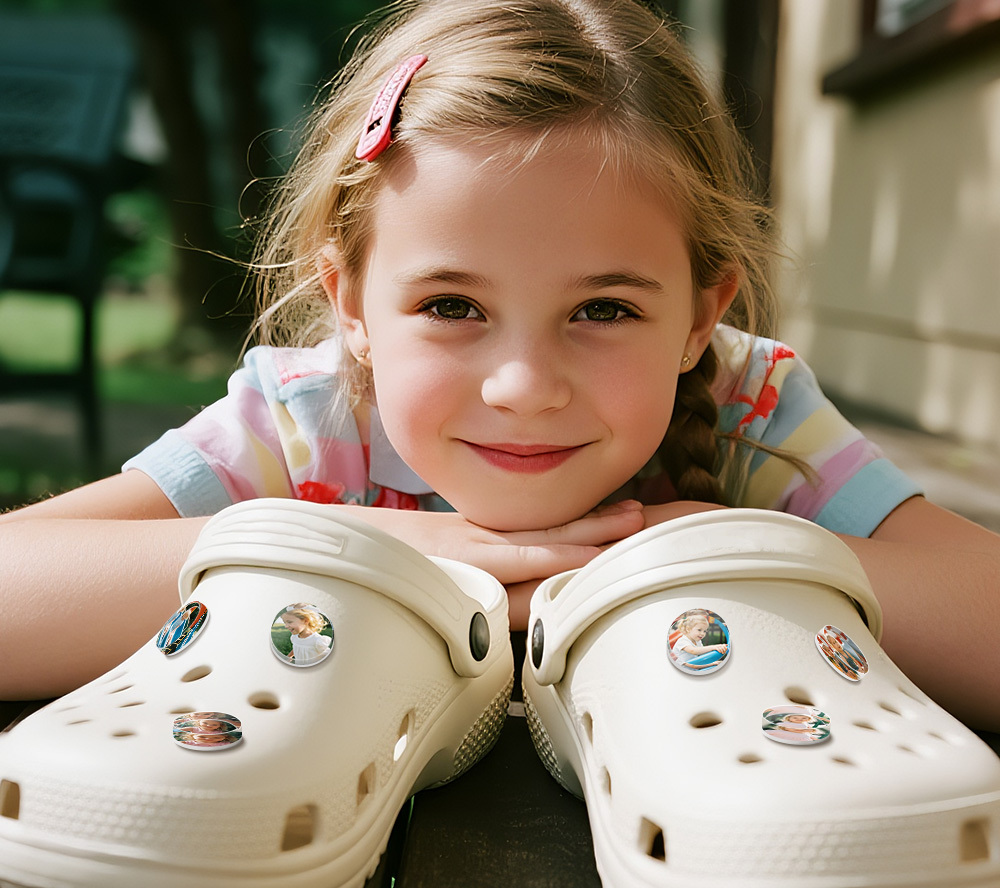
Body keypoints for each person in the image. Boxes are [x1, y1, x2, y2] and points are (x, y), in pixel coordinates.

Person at [1, 0, 999, 731]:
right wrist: (355, 553)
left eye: (603, 308)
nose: (522, 385)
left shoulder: (747, 406)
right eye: (450, 306)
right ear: (348, 304)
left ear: (703, 316)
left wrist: (703, 555)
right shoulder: (308, 421)